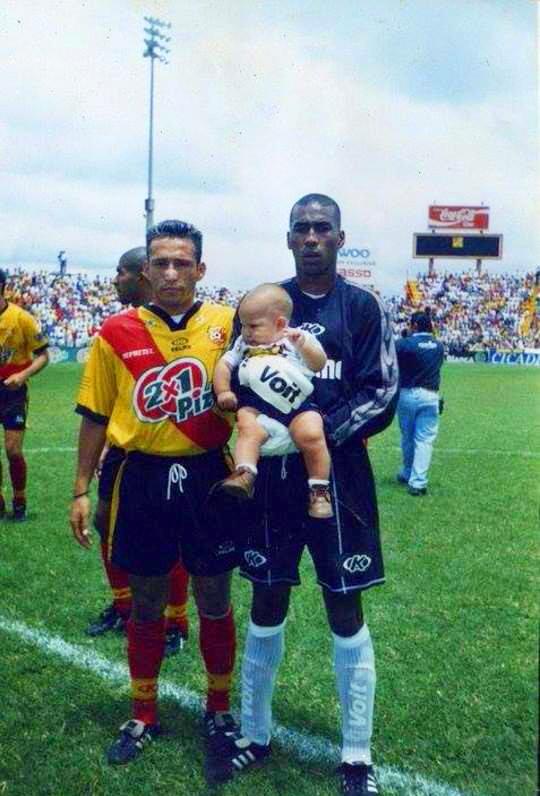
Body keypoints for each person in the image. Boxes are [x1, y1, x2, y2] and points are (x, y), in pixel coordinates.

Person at [219, 194, 398, 796]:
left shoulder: (362, 307)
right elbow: (234, 375)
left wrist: (316, 435)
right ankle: (254, 734)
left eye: (323, 228)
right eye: (303, 229)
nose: (313, 237)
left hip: (336, 477)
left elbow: (381, 393)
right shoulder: (264, 305)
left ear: (340, 238)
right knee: (267, 599)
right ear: (289, 238)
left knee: (344, 605)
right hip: (270, 479)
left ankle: (355, 757)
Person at [70, 220, 240, 776]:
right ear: (147, 271)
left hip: (206, 477)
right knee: (145, 603)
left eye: (182, 263)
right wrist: (79, 488)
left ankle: (218, 708)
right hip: (140, 477)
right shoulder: (114, 332)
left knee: (213, 597)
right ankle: (144, 713)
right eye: (161, 263)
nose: (171, 273)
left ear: (200, 270)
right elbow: (95, 416)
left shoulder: (226, 325)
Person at [86, 247, 191, 657]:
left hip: (171, 452)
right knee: (107, 525)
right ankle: (124, 605)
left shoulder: (176, 327)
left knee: (172, 539)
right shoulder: (119, 326)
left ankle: (176, 622)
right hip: (123, 450)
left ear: (141, 276)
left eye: (121, 272)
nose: (115, 279)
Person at [214, 282, 332, 518]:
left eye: (254, 326)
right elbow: (223, 366)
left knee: (311, 434)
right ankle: (245, 474)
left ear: (280, 323)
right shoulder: (241, 344)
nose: (246, 331)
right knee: (248, 427)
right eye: (243, 325)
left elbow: (319, 363)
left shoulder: (297, 339)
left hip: (297, 404)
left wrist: (305, 346)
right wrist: (224, 391)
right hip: (257, 404)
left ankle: (319, 490)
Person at [0, 269, 49, 520]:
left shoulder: (22, 318)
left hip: (12, 393)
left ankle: (19, 499)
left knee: (13, 450)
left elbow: (43, 356)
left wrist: (22, 376)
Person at [395, 309, 444, 496]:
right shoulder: (439, 346)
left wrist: (406, 336)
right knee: (424, 440)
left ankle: (408, 472)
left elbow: (393, 351)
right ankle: (418, 482)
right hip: (431, 395)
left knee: (407, 435)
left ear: (414, 325)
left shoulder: (406, 344)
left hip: (408, 394)